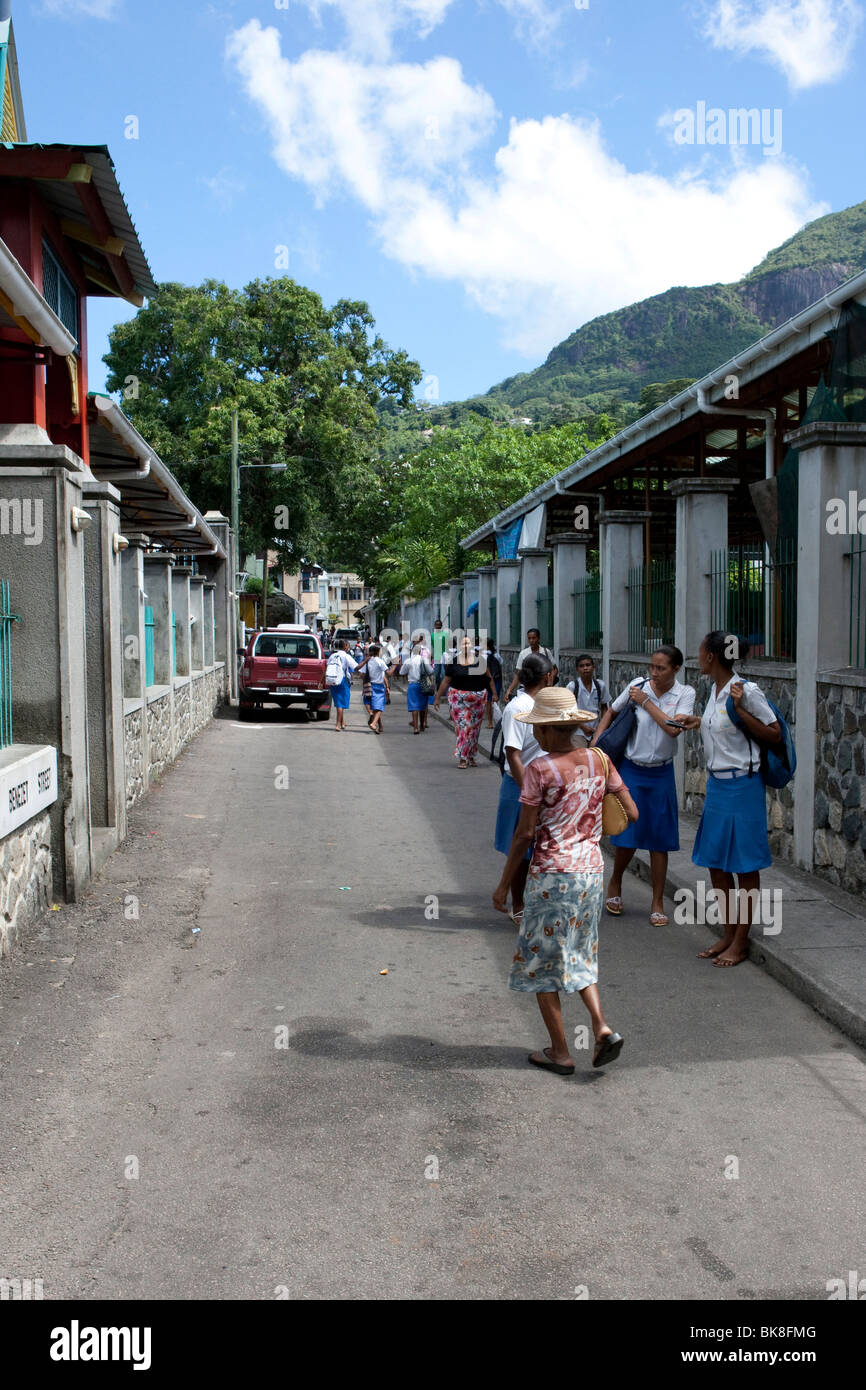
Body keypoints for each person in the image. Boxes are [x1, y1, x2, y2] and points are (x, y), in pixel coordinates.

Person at [493, 686, 638, 1074]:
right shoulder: (600, 760)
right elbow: (633, 813)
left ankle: (560, 1052)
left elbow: (524, 835)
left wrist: (505, 885)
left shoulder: (539, 770)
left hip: (552, 876)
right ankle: (601, 1026)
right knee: (579, 954)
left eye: (537, 729)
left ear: (542, 732)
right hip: (591, 873)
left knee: (542, 964)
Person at [677, 631, 782, 968]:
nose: (698, 655)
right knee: (717, 863)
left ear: (711, 656)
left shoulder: (745, 691)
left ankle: (741, 940)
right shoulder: (715, 690)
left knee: (744, 865)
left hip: (743, 786)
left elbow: (774, 732)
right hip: (719, 787)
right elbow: (723, 730)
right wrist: (697, 722)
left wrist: (739, 709)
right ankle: (728, 931)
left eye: (701, 650)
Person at [591, 645, 695, 926]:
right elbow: (611, 712)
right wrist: (596, 746)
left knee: (659, 840)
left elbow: (674, 728)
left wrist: (647, 702)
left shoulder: (685, 694)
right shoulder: (636, 685)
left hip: (661, 773)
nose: (654, 673)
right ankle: (615, 883)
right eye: (652, 666)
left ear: (676, 669)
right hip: (631, 770)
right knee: (627, 833)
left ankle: (658, 901)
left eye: (661, 668)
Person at [494, 654, 553, 924]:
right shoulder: (519, 708)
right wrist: (529, 792)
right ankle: (518, 904)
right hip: (520, 785)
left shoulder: (545, 705)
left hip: (542, 786)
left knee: (538, 851)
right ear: (547, 677)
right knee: (521, 850)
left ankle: (533, 900)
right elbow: (513, 754)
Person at [434, 634, 498, 768]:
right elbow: (446, 680)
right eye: (463, 644)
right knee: (464, 727)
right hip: (458, 699)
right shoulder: (454, 661)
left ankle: (471, 755)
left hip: (478, 700)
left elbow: (489, 678)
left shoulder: (480, 661)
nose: (465, 646)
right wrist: (438, 697)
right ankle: (463, 757)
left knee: (474, 729)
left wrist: (495, 694)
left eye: (468, 643)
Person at [504, 628, 558, 701]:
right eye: (529, 638)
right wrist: (509, 690)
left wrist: (549, 681)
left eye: (533, 638)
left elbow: (554, 669)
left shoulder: (545, 652)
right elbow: (518, 673)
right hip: (527, 688)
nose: (531, 641)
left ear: (538, 639)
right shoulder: (524, 653)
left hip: (542, 688)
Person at [566, 654, 610, 741]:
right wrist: (582, 727)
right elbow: (568, 711)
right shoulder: (572, 687)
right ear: (577, 669)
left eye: (588, 665)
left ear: (593, 667)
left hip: (596, 731)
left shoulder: (600, 686)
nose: (585, 668)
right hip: (578, 732)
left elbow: (604, 707)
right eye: (581, 666)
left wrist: (602, 725)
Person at [401, 634, 435, 734]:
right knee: (423, 706)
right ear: (420, 651)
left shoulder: (408, 660)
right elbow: (431, 671)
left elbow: (401, 672)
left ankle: (415, 728)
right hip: (423, 684)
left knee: (414, 706)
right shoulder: (423, 659)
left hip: (413, 685)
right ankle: (422, 725)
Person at [355, 643, 390, 734]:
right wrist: (394, 665)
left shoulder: (368, 661)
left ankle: (379, 725)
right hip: (378, 687)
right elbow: (387, 674)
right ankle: (374, 724)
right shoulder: (380, 661)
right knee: (379, 707)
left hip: (369, 686)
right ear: (378, 652)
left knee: (374, 707)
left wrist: (367, 679)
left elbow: (361, 674)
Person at [329, 639, 358, 732]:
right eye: (348, 646)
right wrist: (366, 661)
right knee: (340, 705)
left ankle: (342, 722)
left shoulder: (332, 655)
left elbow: (326, 668)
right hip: (342, 680)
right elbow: (356, 667)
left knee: (338, 702)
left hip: (333, 680)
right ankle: (337, 724)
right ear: (345, 646)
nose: (348, 647)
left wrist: (322, 682)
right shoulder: (346, 656)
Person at [485, 638, 504, 729]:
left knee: (488, 701)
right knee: (495, 701)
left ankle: (490, 723)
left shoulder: (483, 655)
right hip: (497, 679)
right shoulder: (497, 655)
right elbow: (501, 664)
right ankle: (497, 721)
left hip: (487, 680)